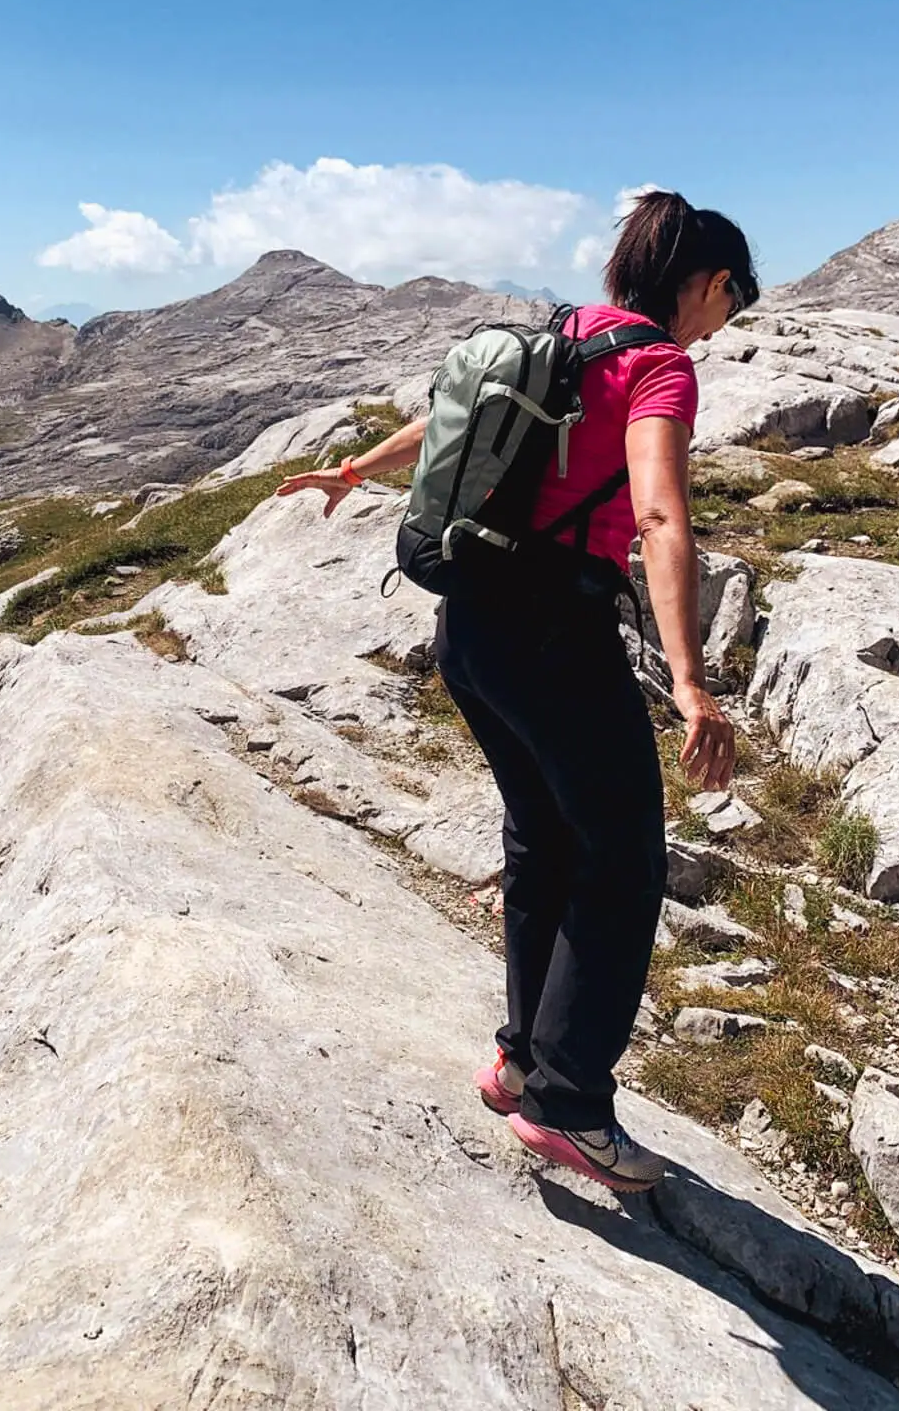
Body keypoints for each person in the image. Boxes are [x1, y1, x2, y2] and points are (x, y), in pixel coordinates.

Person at [276, 189, 759, 1193]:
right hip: (553, 635)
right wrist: (692, 683)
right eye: (732, 301)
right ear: (709, 282)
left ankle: (520, 1063)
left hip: (471, 630)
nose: (723, 324)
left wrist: (354, 469)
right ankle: (569, 1104)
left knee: (543, 838)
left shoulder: (566, 333)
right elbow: (661, 518)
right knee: (623, 857)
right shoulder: (658, 366)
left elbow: (452, 420)